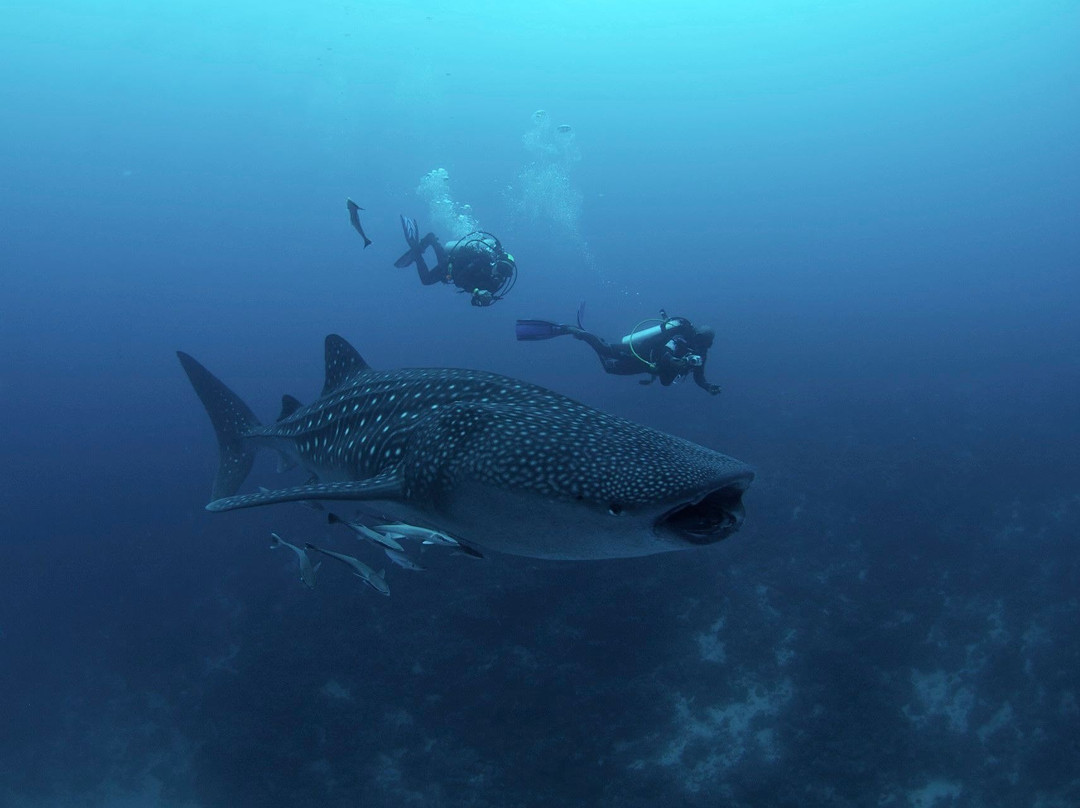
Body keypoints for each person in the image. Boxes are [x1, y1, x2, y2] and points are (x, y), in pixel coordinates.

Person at [516, 307, 722, 395]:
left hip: (646, 364)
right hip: (642, 351)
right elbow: (667, 354)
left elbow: (699, 378)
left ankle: (584, 334)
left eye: (706, 343)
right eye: (702, 341)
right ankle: (574, 330)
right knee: (606, 350)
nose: (703, 345)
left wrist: (708, 386)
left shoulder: (699, 354)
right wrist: (679, 363)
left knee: (609, 368)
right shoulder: (680, 339)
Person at [393, 215, 517, 307]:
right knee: (443, 265)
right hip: (452, 264)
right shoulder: (482, 261)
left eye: (505, 273)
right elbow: (461, 278)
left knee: (426, 280)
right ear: (496, 263)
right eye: (501, 268)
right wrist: (476, 291)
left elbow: (474, 302)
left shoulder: (495, 285)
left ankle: (417, 253)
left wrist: (481, 299)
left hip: (450, 275)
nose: (501, 274)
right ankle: (431, 239)